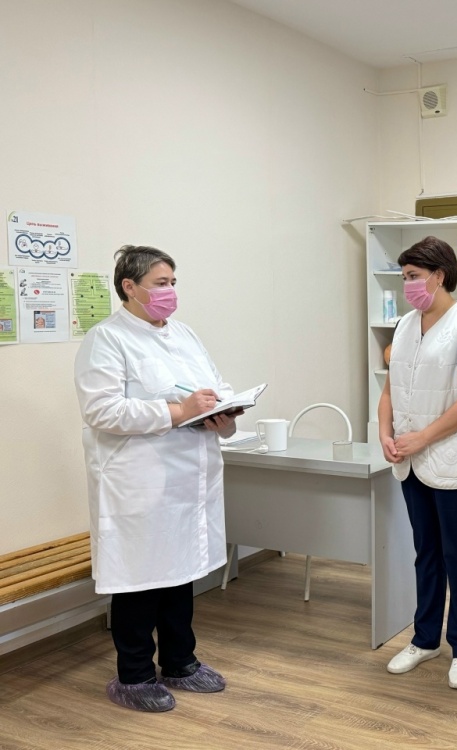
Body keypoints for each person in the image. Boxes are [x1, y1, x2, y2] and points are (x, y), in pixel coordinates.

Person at [74, 245, 239, 712]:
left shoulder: (184, 334)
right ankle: (134, 676)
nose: (170, 292)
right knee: (140, 578)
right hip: (138, 481)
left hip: (186, 478)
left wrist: (224, 411)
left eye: (172, 283)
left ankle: (181, 663)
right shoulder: (107, 339)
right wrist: (177, 412)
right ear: (129, 286)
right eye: (160, 284)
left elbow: (214, 386)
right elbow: (101, 409)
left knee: (179, 574)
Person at [377, 236, 457, 690]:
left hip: (453, 458)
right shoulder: (405, 324)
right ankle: (425, 639)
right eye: (404, 276)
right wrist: (384, 433)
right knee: (425, 552)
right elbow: (391, 390)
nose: (407, 284)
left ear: (439, 276)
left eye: (413, 276)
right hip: (411, 460)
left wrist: (423, 437)